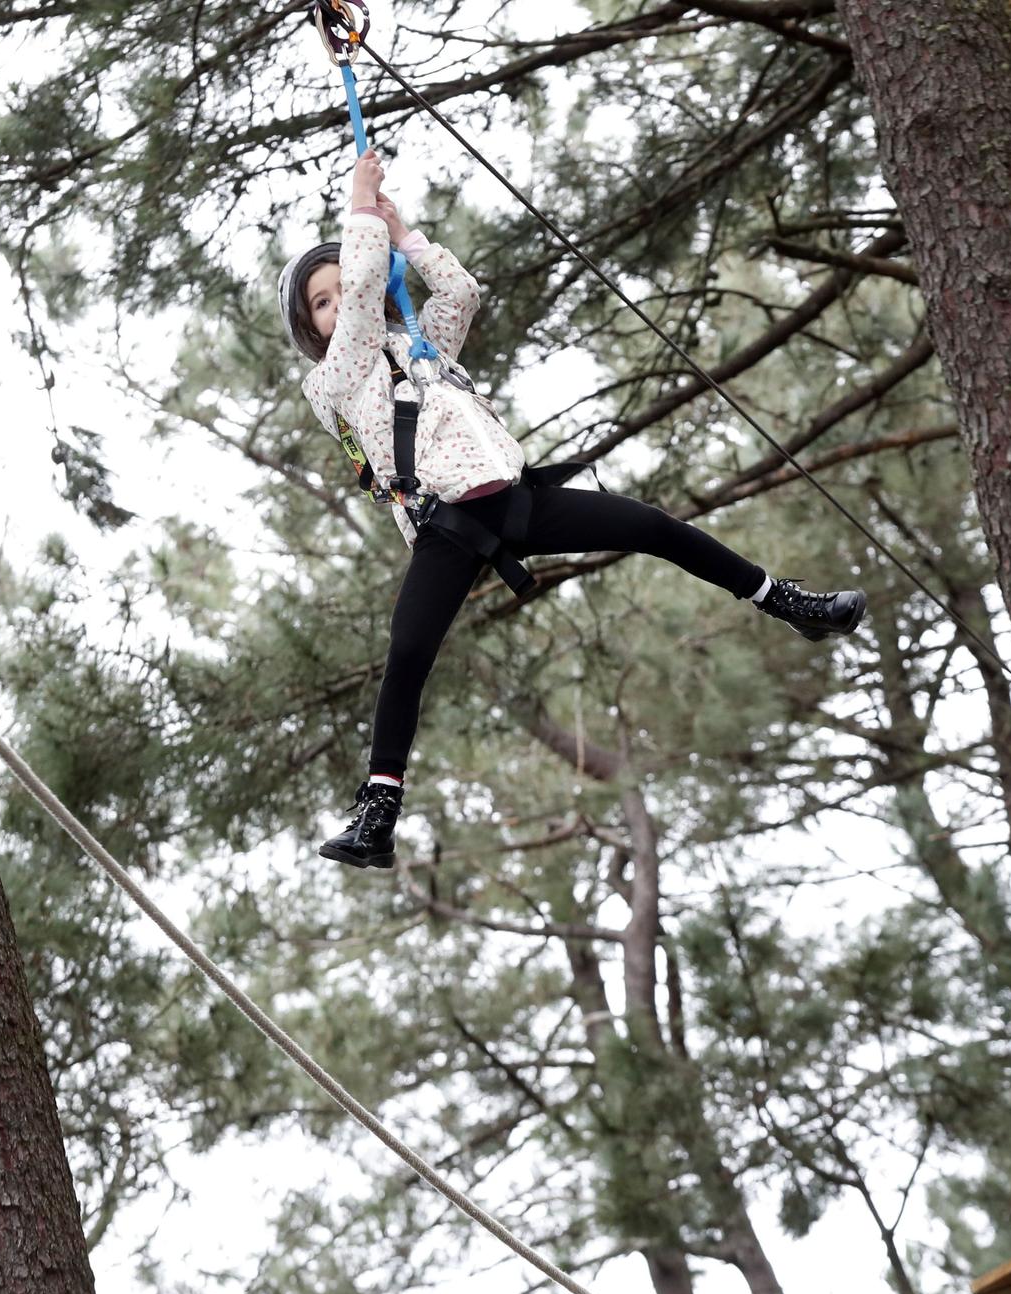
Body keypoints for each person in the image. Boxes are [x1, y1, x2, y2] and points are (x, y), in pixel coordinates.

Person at [280, 152, 866, 868]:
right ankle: (378, 813)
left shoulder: (424, 348)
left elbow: (461, 292)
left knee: (650, 526)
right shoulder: (334, 381)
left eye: (341, 286)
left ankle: (781, 599)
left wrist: (405, 235)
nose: (341, 299)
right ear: (314, 329)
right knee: (408, 653)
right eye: (323, 299)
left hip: (516, 502)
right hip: (449, 529)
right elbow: (366, 297)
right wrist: (361, 207)